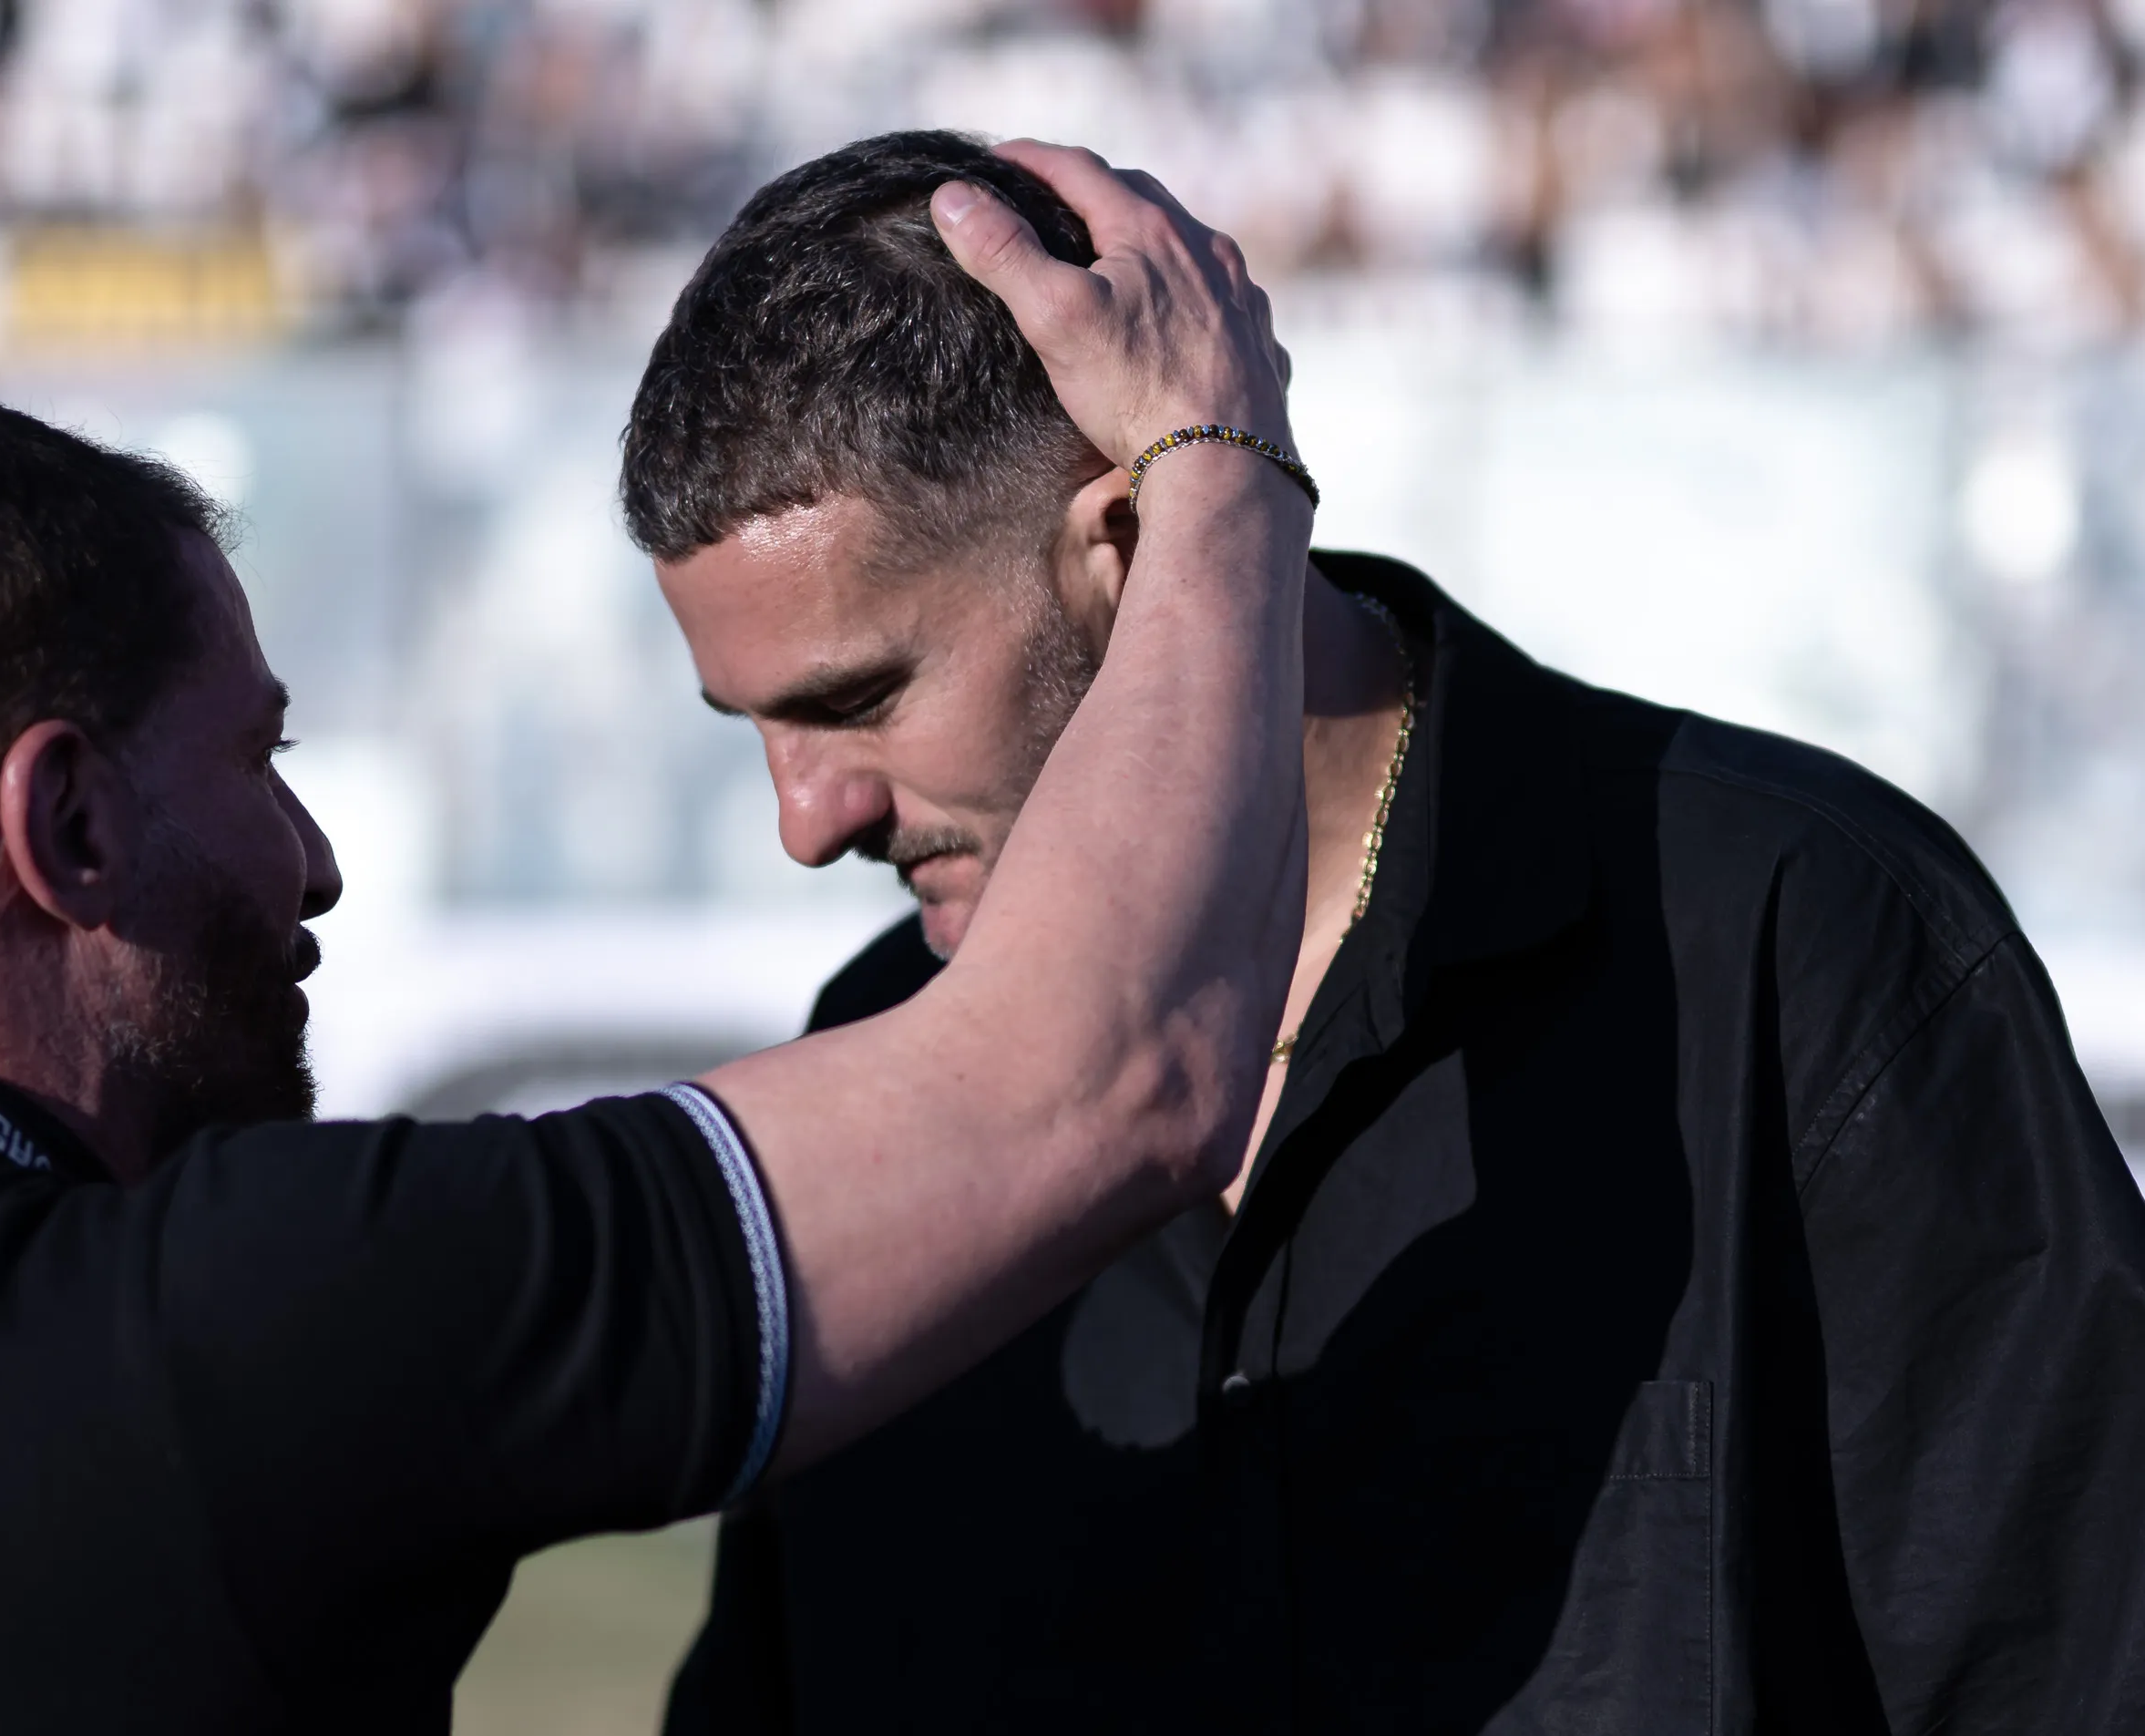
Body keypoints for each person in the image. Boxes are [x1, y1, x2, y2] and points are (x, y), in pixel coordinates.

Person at [0, 149, 1315, 1732]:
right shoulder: (215, 1322)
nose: (312, 863)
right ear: (65, 823)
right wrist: (1215, 450)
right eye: (257, 753)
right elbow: (1119, 1070)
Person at [637, 131, 2145, 1734]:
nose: (807, 820)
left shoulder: (1797, 938)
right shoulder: (870, 1063)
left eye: (859, 701)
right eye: (750, 725)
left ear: (1138, 547)